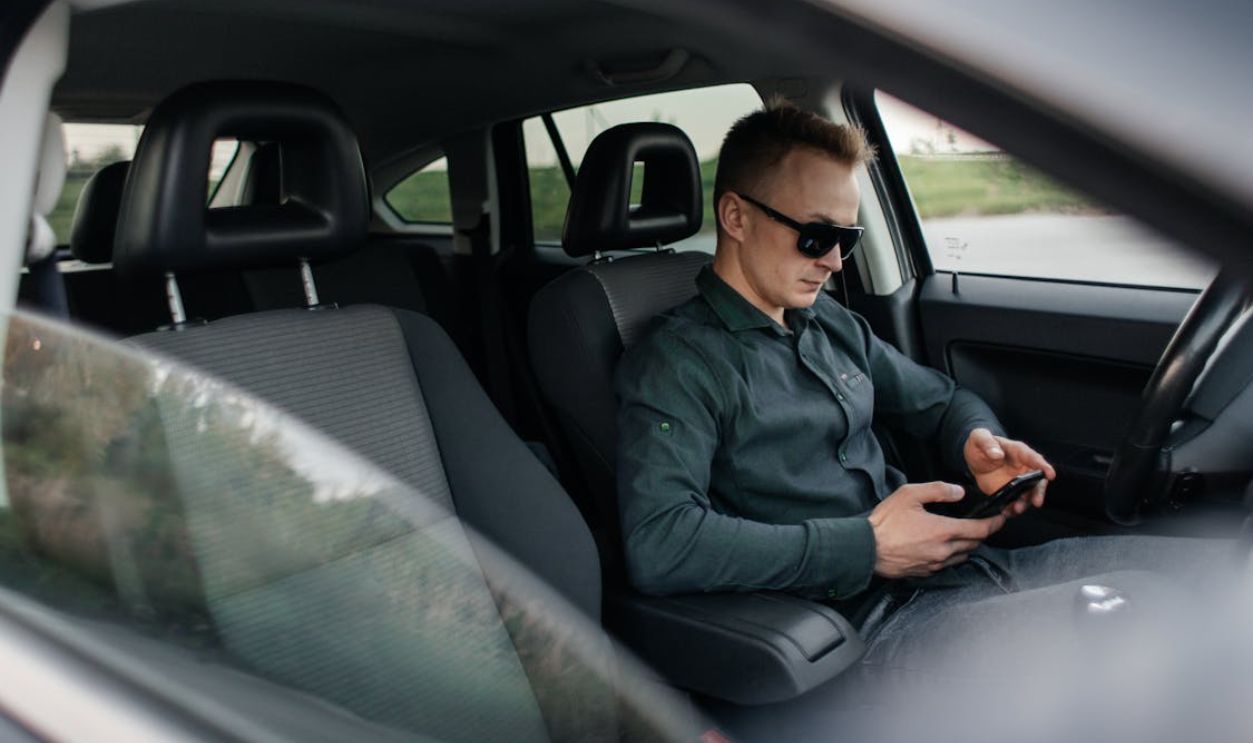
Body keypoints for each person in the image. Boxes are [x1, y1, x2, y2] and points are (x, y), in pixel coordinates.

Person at [614, 101, 1233, 704]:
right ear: (736, 216)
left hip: (969, 571)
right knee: (1149, 627)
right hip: (864, 630)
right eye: (815, 236)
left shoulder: (829, 323)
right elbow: (661, 543)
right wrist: (866, 546)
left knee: (1230, 573)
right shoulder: (679, 363)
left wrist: (977, 442)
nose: (833, 262)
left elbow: (940, 402)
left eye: (847, 238)